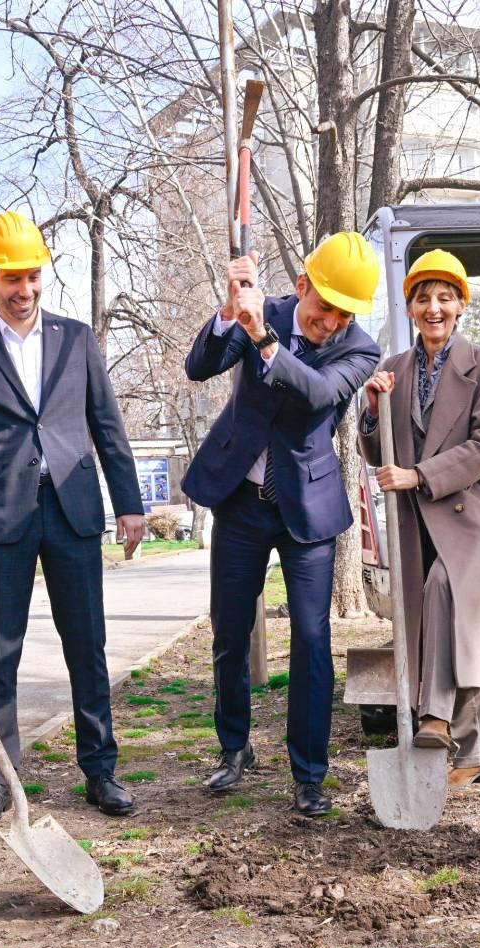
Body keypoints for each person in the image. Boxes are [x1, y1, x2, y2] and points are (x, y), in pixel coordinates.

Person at [0, 212, 146, 826]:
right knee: (0, 650)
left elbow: (107, 424)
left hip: (72, 510)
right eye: (11, 278)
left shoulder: (77, 339)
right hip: (1, 518)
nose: (24, 289)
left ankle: (101, 770)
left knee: (87, 644)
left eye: (32, 276)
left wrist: (129, 502)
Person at [181, 233, 381, 817]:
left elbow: (318, 394)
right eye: (325, 308)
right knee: (230, 631)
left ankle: (309, 774)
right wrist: (230, 313)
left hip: (308, 511)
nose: (332, 323)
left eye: (345, 315)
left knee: (312, 642)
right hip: (240, 501)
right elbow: (199, 367)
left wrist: (264, 339)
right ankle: (234, 748)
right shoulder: (257, 309)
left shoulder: (360, 349)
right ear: (301, 286)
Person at [359, 249, 480, 788]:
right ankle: (479, 753)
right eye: (423, 298)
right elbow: (374, 448)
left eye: (445, 298)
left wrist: (418, 474)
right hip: (418, 521)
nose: (434, 308)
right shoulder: (394, 370)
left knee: (443, 590)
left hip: (475, 514)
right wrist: (371, 410)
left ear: (460, 306)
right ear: (410, 308)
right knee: (445, 624)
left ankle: (435, 718)